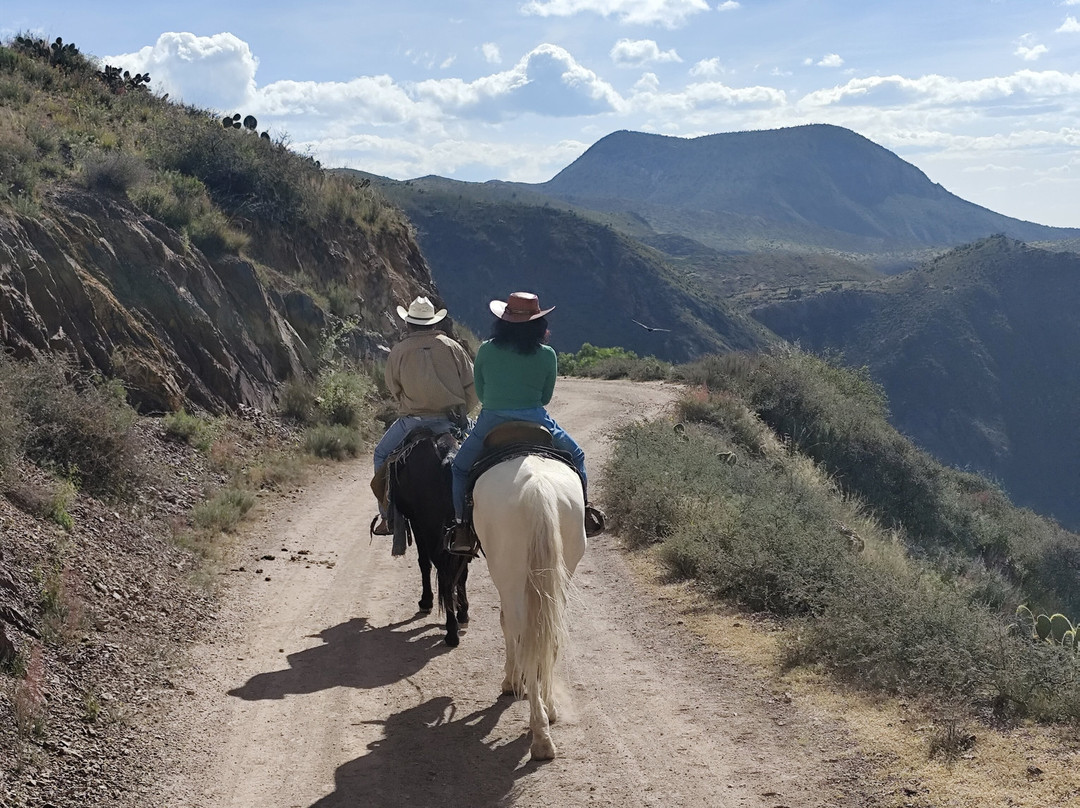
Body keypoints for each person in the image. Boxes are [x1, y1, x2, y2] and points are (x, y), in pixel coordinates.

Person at [447, 291, 604, 556]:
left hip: (491, 420)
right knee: (576, 455)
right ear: (538, 324)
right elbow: (546, 397)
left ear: (503, 322)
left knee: (460, 469)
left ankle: (462, 526)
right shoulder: (547, 354)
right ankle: (585, 512)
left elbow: (482, 394)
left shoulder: (486, 349)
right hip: (536, 418)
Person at [370, 296, 478, 535]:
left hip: (412, 422)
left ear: (409, 324)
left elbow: (394, 387)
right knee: (483, 455)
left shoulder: (399, 351)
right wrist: (461, 413)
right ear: (434, 323)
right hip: (451, 420)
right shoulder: (452, 347)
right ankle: (477, 514)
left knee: (381, 455)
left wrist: (411, 404)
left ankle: (387, 518)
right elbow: (472, 387)